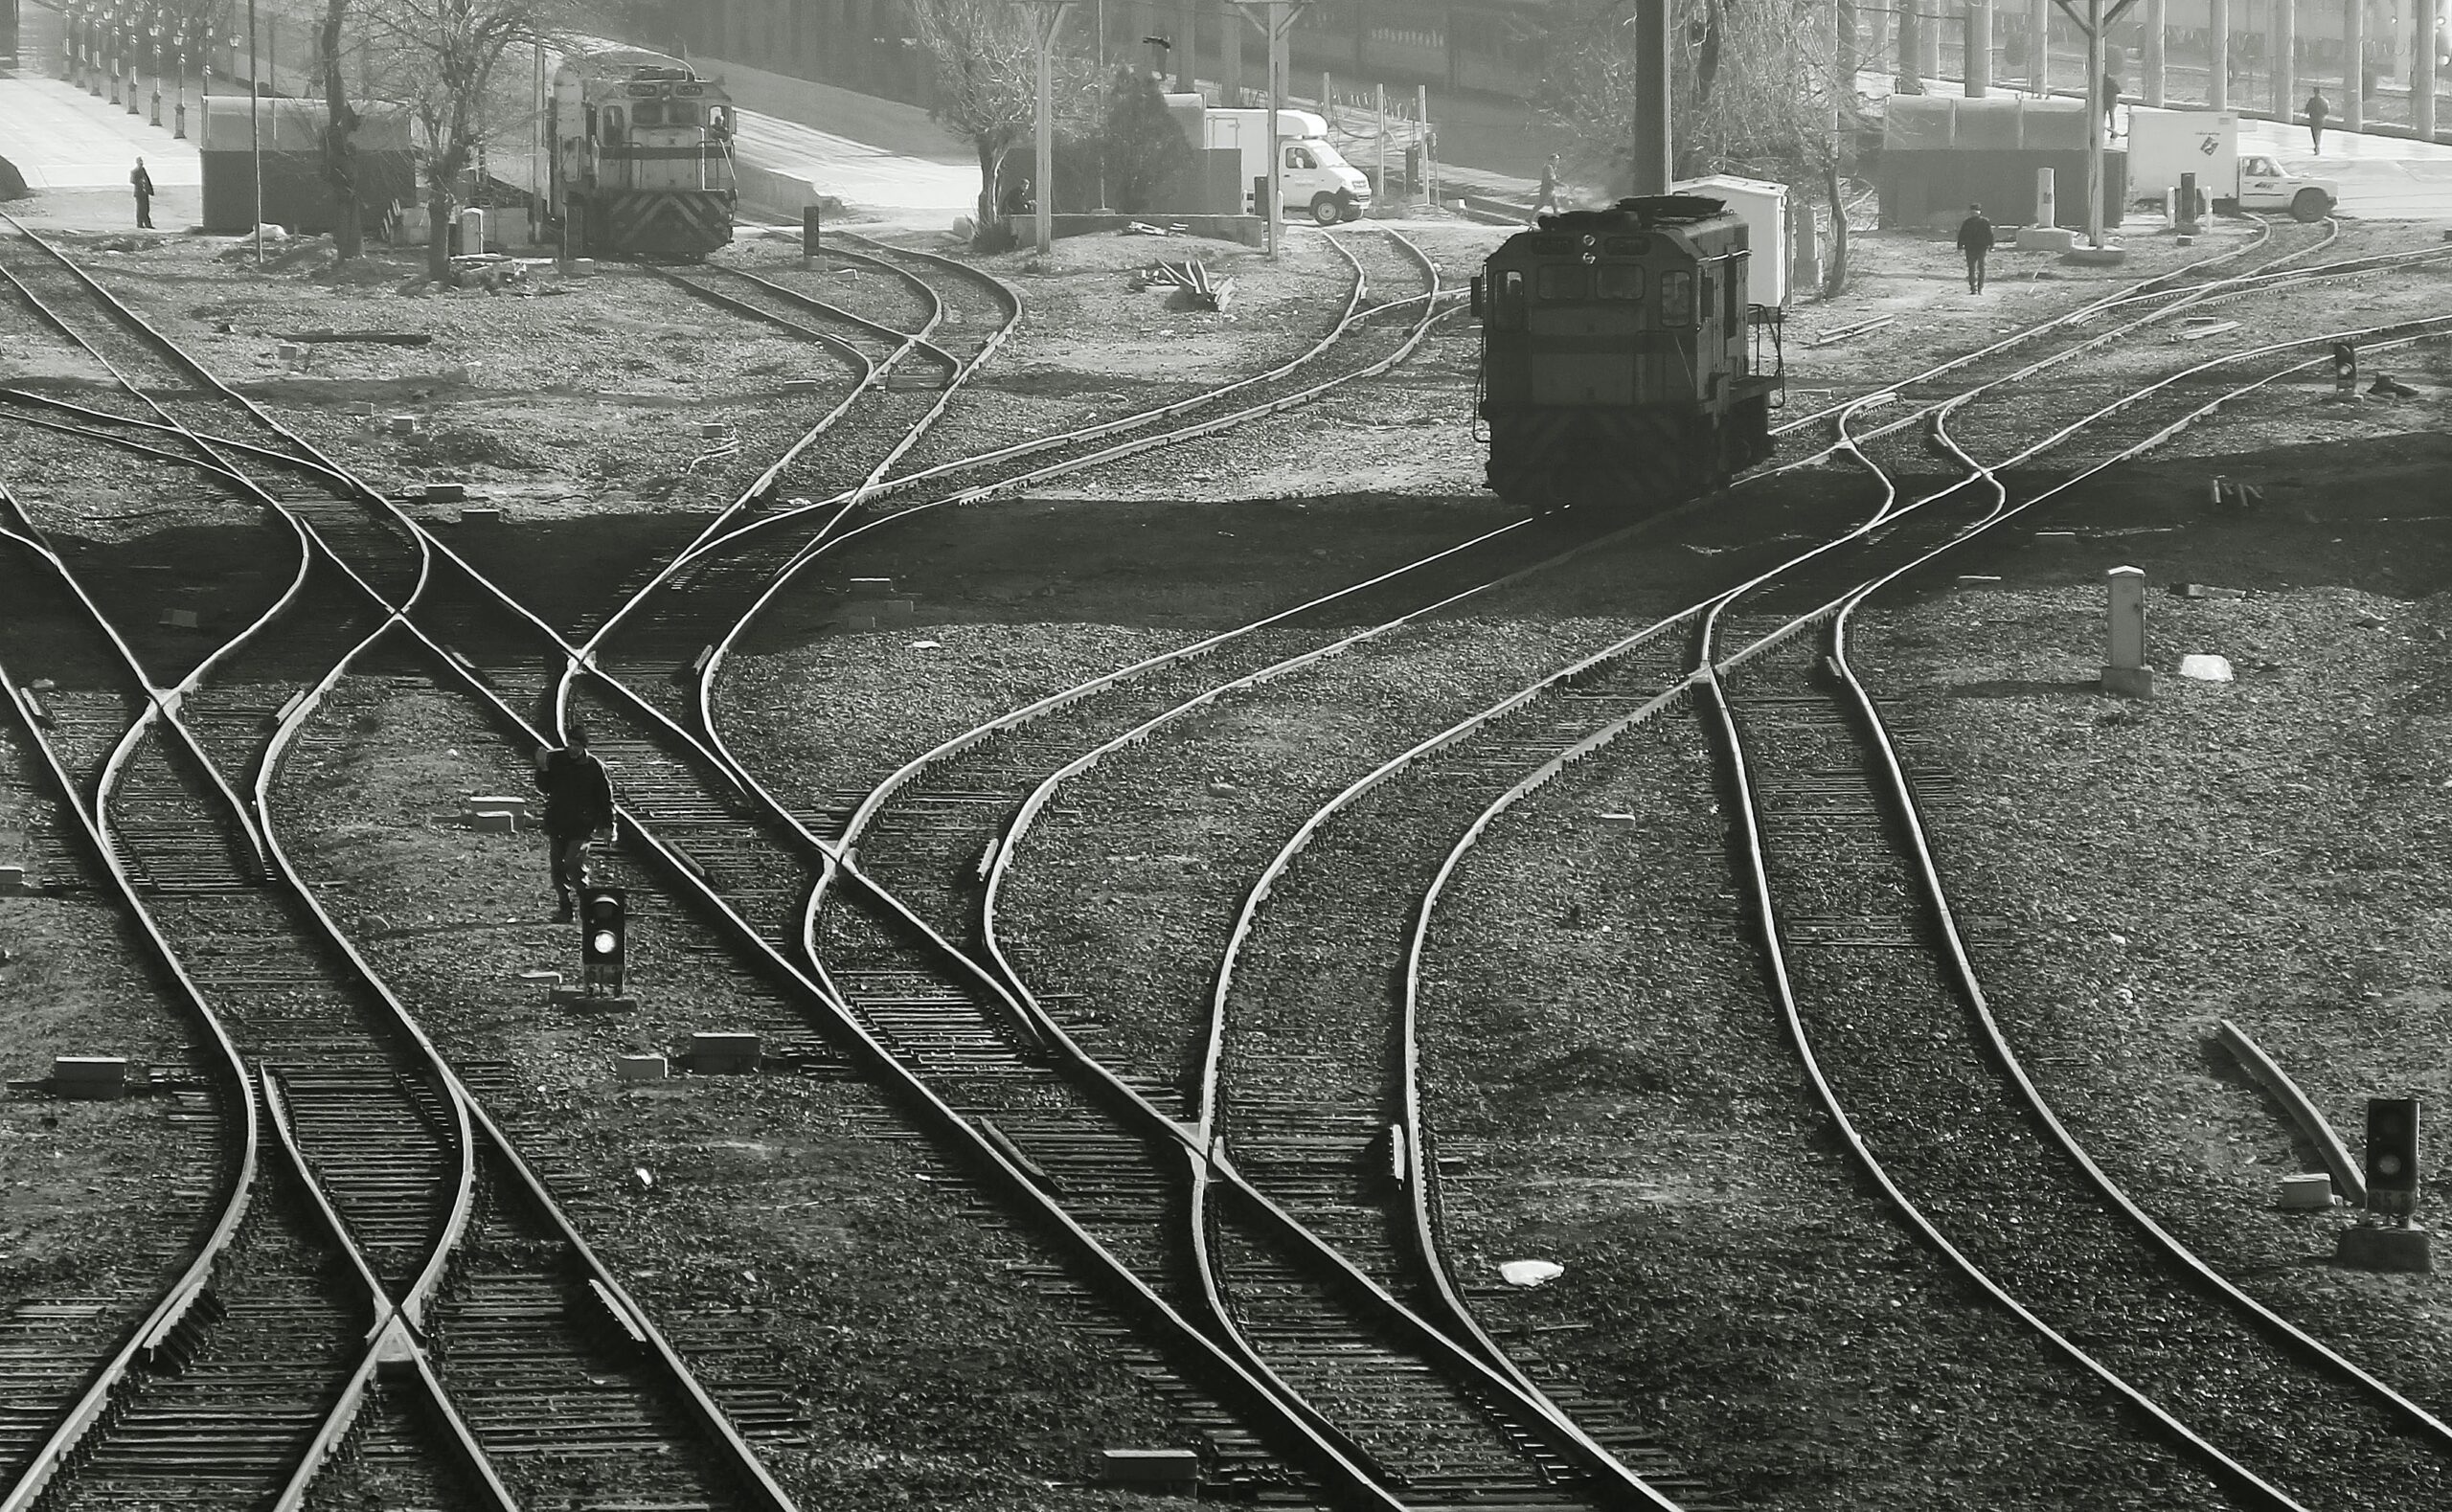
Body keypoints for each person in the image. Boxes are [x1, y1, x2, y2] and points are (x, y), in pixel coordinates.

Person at [535, 725, 616, 921]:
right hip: (558, 822)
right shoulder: (557, 760)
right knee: (557, 869)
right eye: (570, 744)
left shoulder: (595, 768)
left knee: (573, 863)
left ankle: (585, 900)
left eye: (576, 745)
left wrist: (609, 826)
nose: (572, 749)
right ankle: (565, 907)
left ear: (584, 747)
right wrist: (543, 768)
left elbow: (606, 800)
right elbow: (544, 788)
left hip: (582, 825)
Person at [1956, 202, 1995, 293]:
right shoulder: (1967, 222)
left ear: (1979, 212)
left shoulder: (1984, 222)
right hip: (1971, 248)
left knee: (1980, 268)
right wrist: (1960, 246)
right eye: (1973, 212)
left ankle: (1979, 288)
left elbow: (1990, 235)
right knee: (1973, 268)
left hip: (1980, 248)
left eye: (1976, 211)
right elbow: (1962, 235)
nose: (1974, 213)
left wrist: (1991, 245)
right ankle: (1973, 288)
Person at [1533, 153, 1562, 217]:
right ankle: (1530, 218)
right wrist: (1561, 184)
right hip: (1546, 190)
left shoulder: (1552, 168)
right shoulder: (1548, 168)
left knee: (1556, 206)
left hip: (1551, 190)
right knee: (1541, 204)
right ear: (1551, 160)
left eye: (1558, 160)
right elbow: (1551, 179)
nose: (1558, 161)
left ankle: (1558, 220)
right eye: (1556, 159)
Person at [129, 157, 153, 230]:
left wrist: (150, 190)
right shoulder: (134, 171)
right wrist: (140, 181)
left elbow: (147, 180)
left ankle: (147, 223)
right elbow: (132, 181)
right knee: (140, 209)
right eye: (140, 162)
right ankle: (140, 223)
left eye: (142, 162)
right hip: (139, 193)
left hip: (145, 192)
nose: (141, 163)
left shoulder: (143, 170)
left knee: (146, 209)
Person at [2304, 88, 2330, 154]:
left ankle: (2316, 145)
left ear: (2314, 92)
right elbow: (2327, 111)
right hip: (2321, 120)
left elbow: (2306, 110)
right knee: (2319, 133)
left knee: (2314, 133)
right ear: (2320, 92)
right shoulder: (2325, 101)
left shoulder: (2311, 100)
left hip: (2313, 119)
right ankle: (2317, 145)